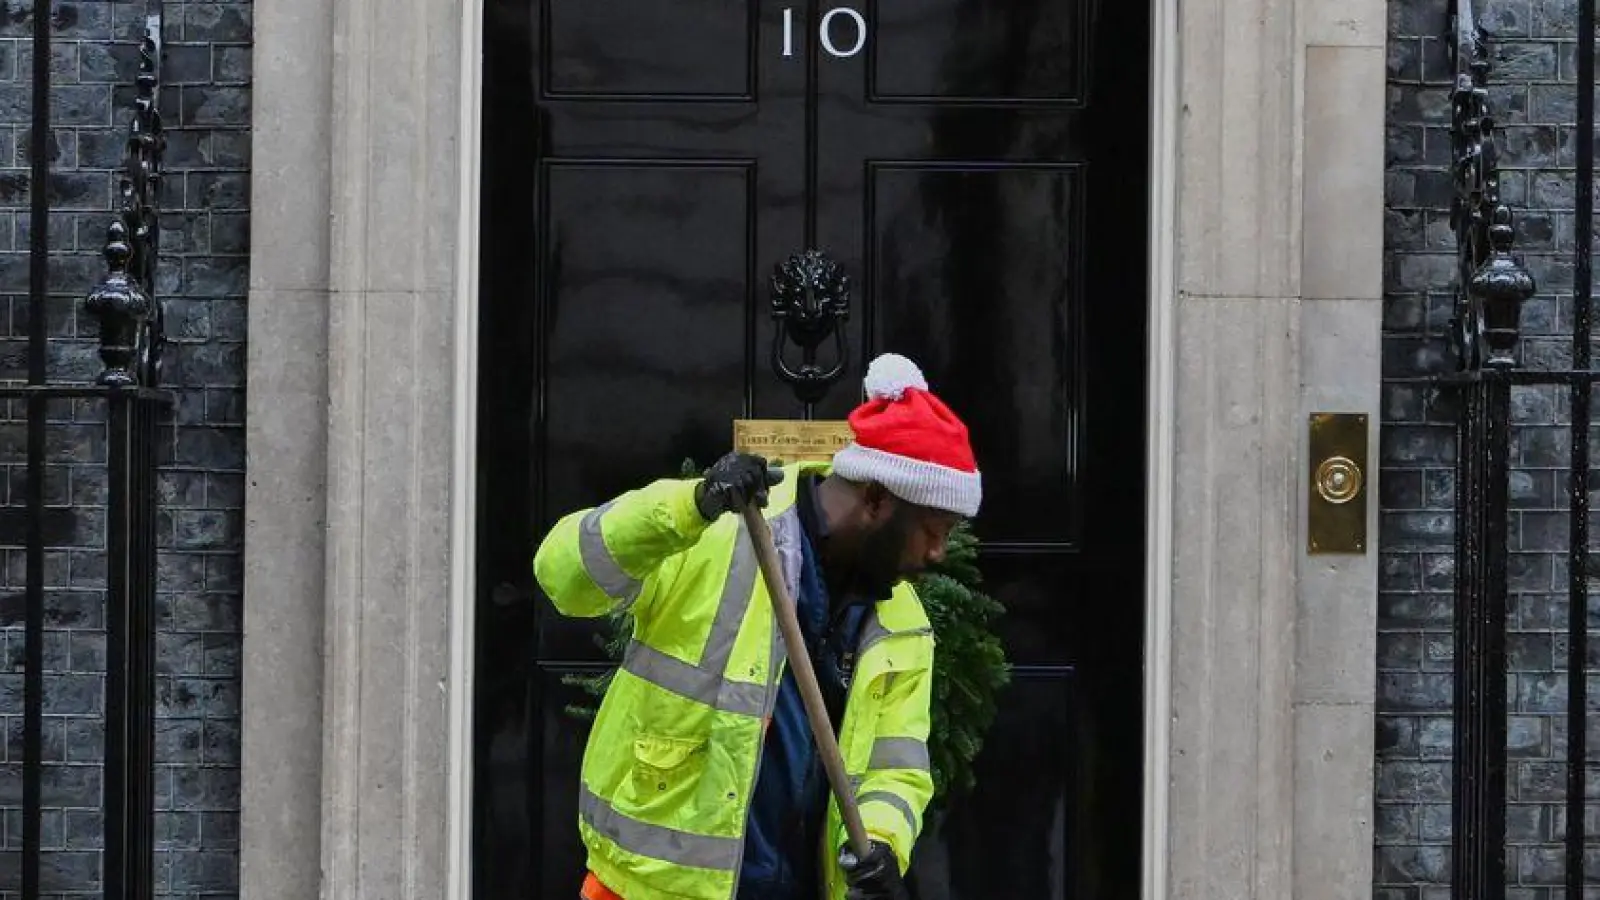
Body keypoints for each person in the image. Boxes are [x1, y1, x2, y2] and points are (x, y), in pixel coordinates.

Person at [534, 353, 983, 900]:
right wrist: (690, 504)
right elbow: (563, 575)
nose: (939, 553)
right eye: (932, 531)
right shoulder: (718, 534)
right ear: (874, 499)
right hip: (652, 888)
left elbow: (897, 768)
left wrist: (884, 842)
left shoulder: (902, 624)